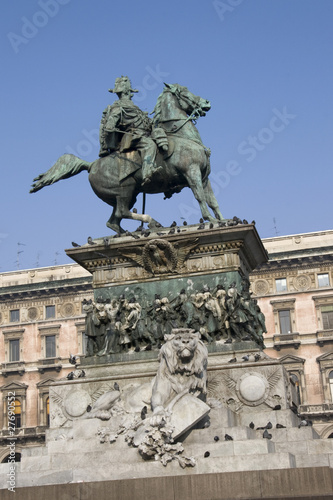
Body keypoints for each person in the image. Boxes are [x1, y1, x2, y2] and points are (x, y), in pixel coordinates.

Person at [99, 75, 168, 186]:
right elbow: (112, 119)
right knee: (150, 145)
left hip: (143, 134)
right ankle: (147, 172)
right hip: (132, 136)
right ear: (126, 92)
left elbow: (144, 122)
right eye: (128, 91)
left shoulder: (132, 106)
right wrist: (111, 126)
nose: (130, 94)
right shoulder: (118, 106)